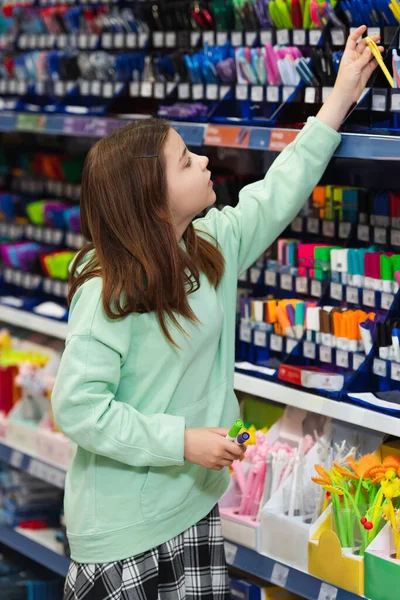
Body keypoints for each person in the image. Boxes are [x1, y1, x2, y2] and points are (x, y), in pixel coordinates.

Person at [52, 26, 382, 600]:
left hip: (192, 504)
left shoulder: (208, 249)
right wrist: (182, 441)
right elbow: (78, 408)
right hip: (122, 532)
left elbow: (279, 189)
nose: (203, 160)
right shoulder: (109, 291)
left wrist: (340, 96)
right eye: (185, 162)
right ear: (153, 204)